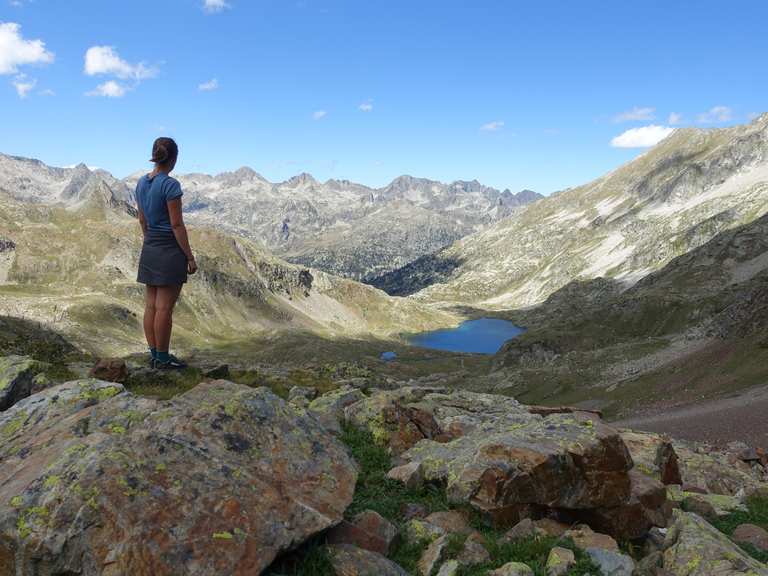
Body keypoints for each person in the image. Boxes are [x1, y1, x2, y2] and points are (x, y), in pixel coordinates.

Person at [135, 137, 197, 369]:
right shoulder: (170, 185)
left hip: (150, 246)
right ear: (174, 158)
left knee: (151, 306)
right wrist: (189, 257)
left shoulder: (141, 183)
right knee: (164, 308)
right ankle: (163, 359)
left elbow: (142, 219)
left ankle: (155, 355)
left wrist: (149, 240)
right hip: (169, 249)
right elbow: (177, 225)